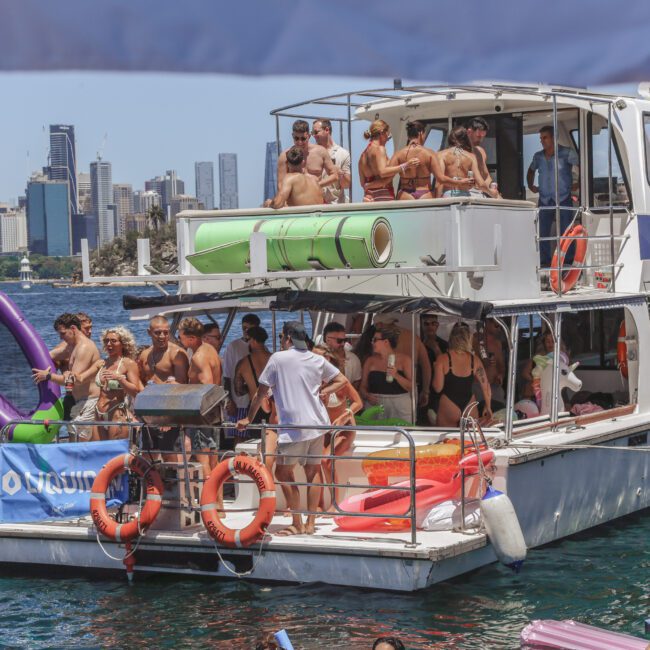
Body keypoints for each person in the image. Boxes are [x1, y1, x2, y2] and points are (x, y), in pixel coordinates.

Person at [237, 321, 346, 536]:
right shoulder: (316, 358)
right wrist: (323, 391)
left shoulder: (278, 358)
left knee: (283, 471)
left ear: (287, 338)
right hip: (317, 424)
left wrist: (248, 419)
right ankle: (311, 524)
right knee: (312, 471)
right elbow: (341, 380)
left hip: (294, 426)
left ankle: (297, 522)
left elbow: (261, 393)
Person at [32, 313, 101, 441]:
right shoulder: (71, 346)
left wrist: (48, 376)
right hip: (77, 402)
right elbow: (48, 355)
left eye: (63, 333)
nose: (61, 337)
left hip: (88, 402)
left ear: (73, 329)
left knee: (82, 446)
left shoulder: (84, 348)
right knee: (74, 443)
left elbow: (72, 381)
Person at [313, 345, 362, 509]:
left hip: (344, 430)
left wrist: (344, 416)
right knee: (314, 462)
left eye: (319, 357)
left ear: (329, 359)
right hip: (324, 430)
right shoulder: (312, 381)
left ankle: (335, 503)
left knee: (326, 460)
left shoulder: (340, 380)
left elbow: (358, 403)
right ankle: (318, 504)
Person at [527, 125, 580, 271]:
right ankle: (545, 262)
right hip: (544, 199)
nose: (542, 141)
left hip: (563, 198)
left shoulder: (567, 153)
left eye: (545, 137)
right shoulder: (538, 156)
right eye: (541, 138)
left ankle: (567, 262)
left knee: (566, 231)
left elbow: (582, 166)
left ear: (553, 137)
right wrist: (530, 185)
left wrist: (579, 183)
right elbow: (530, 171)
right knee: (543, 232)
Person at [74, 326, 142, 440]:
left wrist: (120, 379)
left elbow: (136, 391)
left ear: (123, 343)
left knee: (115, 452)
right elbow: (80, 378)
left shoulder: (128, 363)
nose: (109, 344)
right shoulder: (102, 363)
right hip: (98, 413)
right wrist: (64, 375)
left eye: (113, 341)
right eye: (106, 341)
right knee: (98, 451)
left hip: (116, 414)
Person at [178, 317, 222, 481]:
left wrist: (181, 386)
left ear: (191, 338)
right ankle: (218, 505)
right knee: (213, 460)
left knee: (203, 460)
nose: (179, 338)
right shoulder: (210, 349)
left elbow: (206, 386)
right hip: (215, 412)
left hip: (203, 414)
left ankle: (209, 504)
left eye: (181, 335)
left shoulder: (198, 357)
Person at [432, 323, 491, 427]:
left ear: (451, 338)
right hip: (470, 405)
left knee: (447, 440)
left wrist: (434, 369)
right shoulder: (475, 359)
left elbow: (437, 388)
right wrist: (488, 406)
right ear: (468, 339)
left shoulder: (442, 359)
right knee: (470, 440)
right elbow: (486, 387)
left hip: (449, 406)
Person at [374, 314, 431, 410]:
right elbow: (426, 365)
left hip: (388, 390)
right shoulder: (412, 336)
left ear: (379, 324)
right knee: (407, 423)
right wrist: (425, 391)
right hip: (410, 387)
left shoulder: (382, 341)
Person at [360, 326, 413, 422]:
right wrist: (367, 396)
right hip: (375, 405)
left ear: (386, 342)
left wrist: (396, 375)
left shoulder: (405, 360)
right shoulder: (370, 361)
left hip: (399, 406)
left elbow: (412, 387)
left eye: (375, 340)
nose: (372, 342)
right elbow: (362, 387)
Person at [359, 119, 419, 201]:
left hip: (369, 197)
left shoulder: (362, 156)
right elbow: (383, 172)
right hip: (384, 196)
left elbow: (363, 184)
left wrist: (369, 186)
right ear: (382, 132)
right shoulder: (380, 149)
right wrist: (406, 165)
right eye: (388, 134)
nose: (387, 139)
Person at [223, 313, 261, 437]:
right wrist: (229, 400)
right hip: (239, 402)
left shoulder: (261, 348)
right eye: (244, 328)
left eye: (249, 328)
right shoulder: (233, 346)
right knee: (239, 436)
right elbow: (227, 375)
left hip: (257, 401)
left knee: (255, 437)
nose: (246, 331)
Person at [276, 119, 337, 191]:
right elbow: (280, 184)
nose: (300, 142)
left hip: (316, 199)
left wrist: (317, 185)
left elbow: (335, 176)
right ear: (292, 136)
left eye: (303, 138)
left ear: (309, 136)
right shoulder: (285, 156)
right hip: (295, 200)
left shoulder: (321, 152)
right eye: (296, 138)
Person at [232, 325, 272, 437]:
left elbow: (238, 391)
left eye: (247, 340)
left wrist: (250, 387)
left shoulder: (243, 363)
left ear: (253, 340)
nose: (246, 343)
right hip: (274, 407)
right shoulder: (274, 359)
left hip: (255, 409)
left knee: (258, 444)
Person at [437, 127, 494, 198]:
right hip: (466, 196)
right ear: (465, 139)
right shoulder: (471, 156)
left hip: (448, 195)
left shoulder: (441, 155)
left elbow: (439, 182)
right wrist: (492, 193)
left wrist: (438, 199)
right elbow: (480, 183)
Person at [391, 120, 440, 200]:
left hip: (405, 194)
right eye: (424, 135)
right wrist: (459, 182)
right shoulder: (430, 153)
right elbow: (440, 178)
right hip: (425, 193)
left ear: (408, 136)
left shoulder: (399, 154)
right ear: (421, 133)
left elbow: (387, 175)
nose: (424, 138)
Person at [138, 315, 189, 385]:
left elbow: (182, 384)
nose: (162, 336)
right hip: (149, 395)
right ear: (149, 332)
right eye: (157, 333)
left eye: (166, 332)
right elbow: (141, 381)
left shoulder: (177, 354)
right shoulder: (144, 355)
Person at [312, 118, 351, 204]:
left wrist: (340, 173)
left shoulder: (342, 153)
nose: (314, 135)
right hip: (315, 204)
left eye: (316, 132)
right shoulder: (310, 153)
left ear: (327, 130)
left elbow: (347, 185)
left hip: (335, 207)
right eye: (312, 133)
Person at [420, 314, 448, 422]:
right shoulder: (418, 343)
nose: (429, 327)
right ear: (422, 326)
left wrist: (436, 349)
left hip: (438, 388)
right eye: (426, 324)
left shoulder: (444, 345)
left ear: (437, 325)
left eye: (433, 323)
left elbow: (447, 368)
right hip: (421, 387)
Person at [473, 319, 506, 405]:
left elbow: (502, 367)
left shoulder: (498, 343)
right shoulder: (474, 340)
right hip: (478, 386)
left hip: (494, 386)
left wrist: (500, 376)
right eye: (497, 326)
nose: (499, 329)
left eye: (500, 326)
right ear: (487, 323)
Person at [322, 321, 362, 389]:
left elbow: (356, 382)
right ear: (327, 340)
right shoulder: (317, 358)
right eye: (339, 341)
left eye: (345, 340)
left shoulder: (353, 359)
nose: (343, 344)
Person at [466, 116, 496, 191]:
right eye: (478, 136)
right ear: (469, 132)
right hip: (466, 194)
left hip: (482, 193)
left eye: (483, 136)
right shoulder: (458, 152)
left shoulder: (481, 152)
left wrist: (492, 187)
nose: (481, 139)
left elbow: (486, 176)